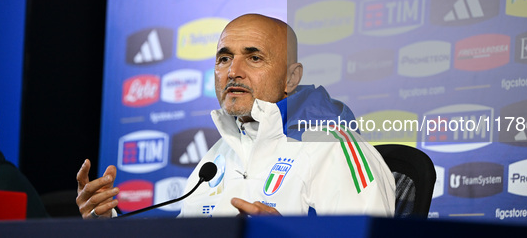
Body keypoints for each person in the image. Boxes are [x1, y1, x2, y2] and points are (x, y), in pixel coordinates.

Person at [76, 14, 395, 218]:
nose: (233, 71)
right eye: (224, 58)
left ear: (291, 78)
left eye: (254, 58)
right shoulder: (218, 155)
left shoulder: (333, 148)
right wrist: (108, 224)